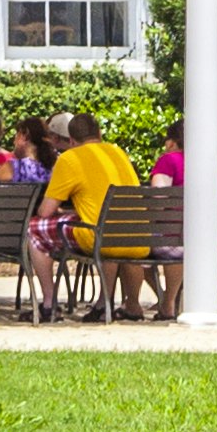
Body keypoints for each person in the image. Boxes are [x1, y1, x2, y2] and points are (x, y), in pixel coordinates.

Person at [36, 107, 142, 310]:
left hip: (99, 239)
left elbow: (45, 212)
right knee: (108, 225)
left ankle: (49, 301)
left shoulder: (70, 158)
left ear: (72, 141)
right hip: (137, 236)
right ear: (99, 134)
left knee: (34, 231)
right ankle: (118, 304)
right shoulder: (119, 153)